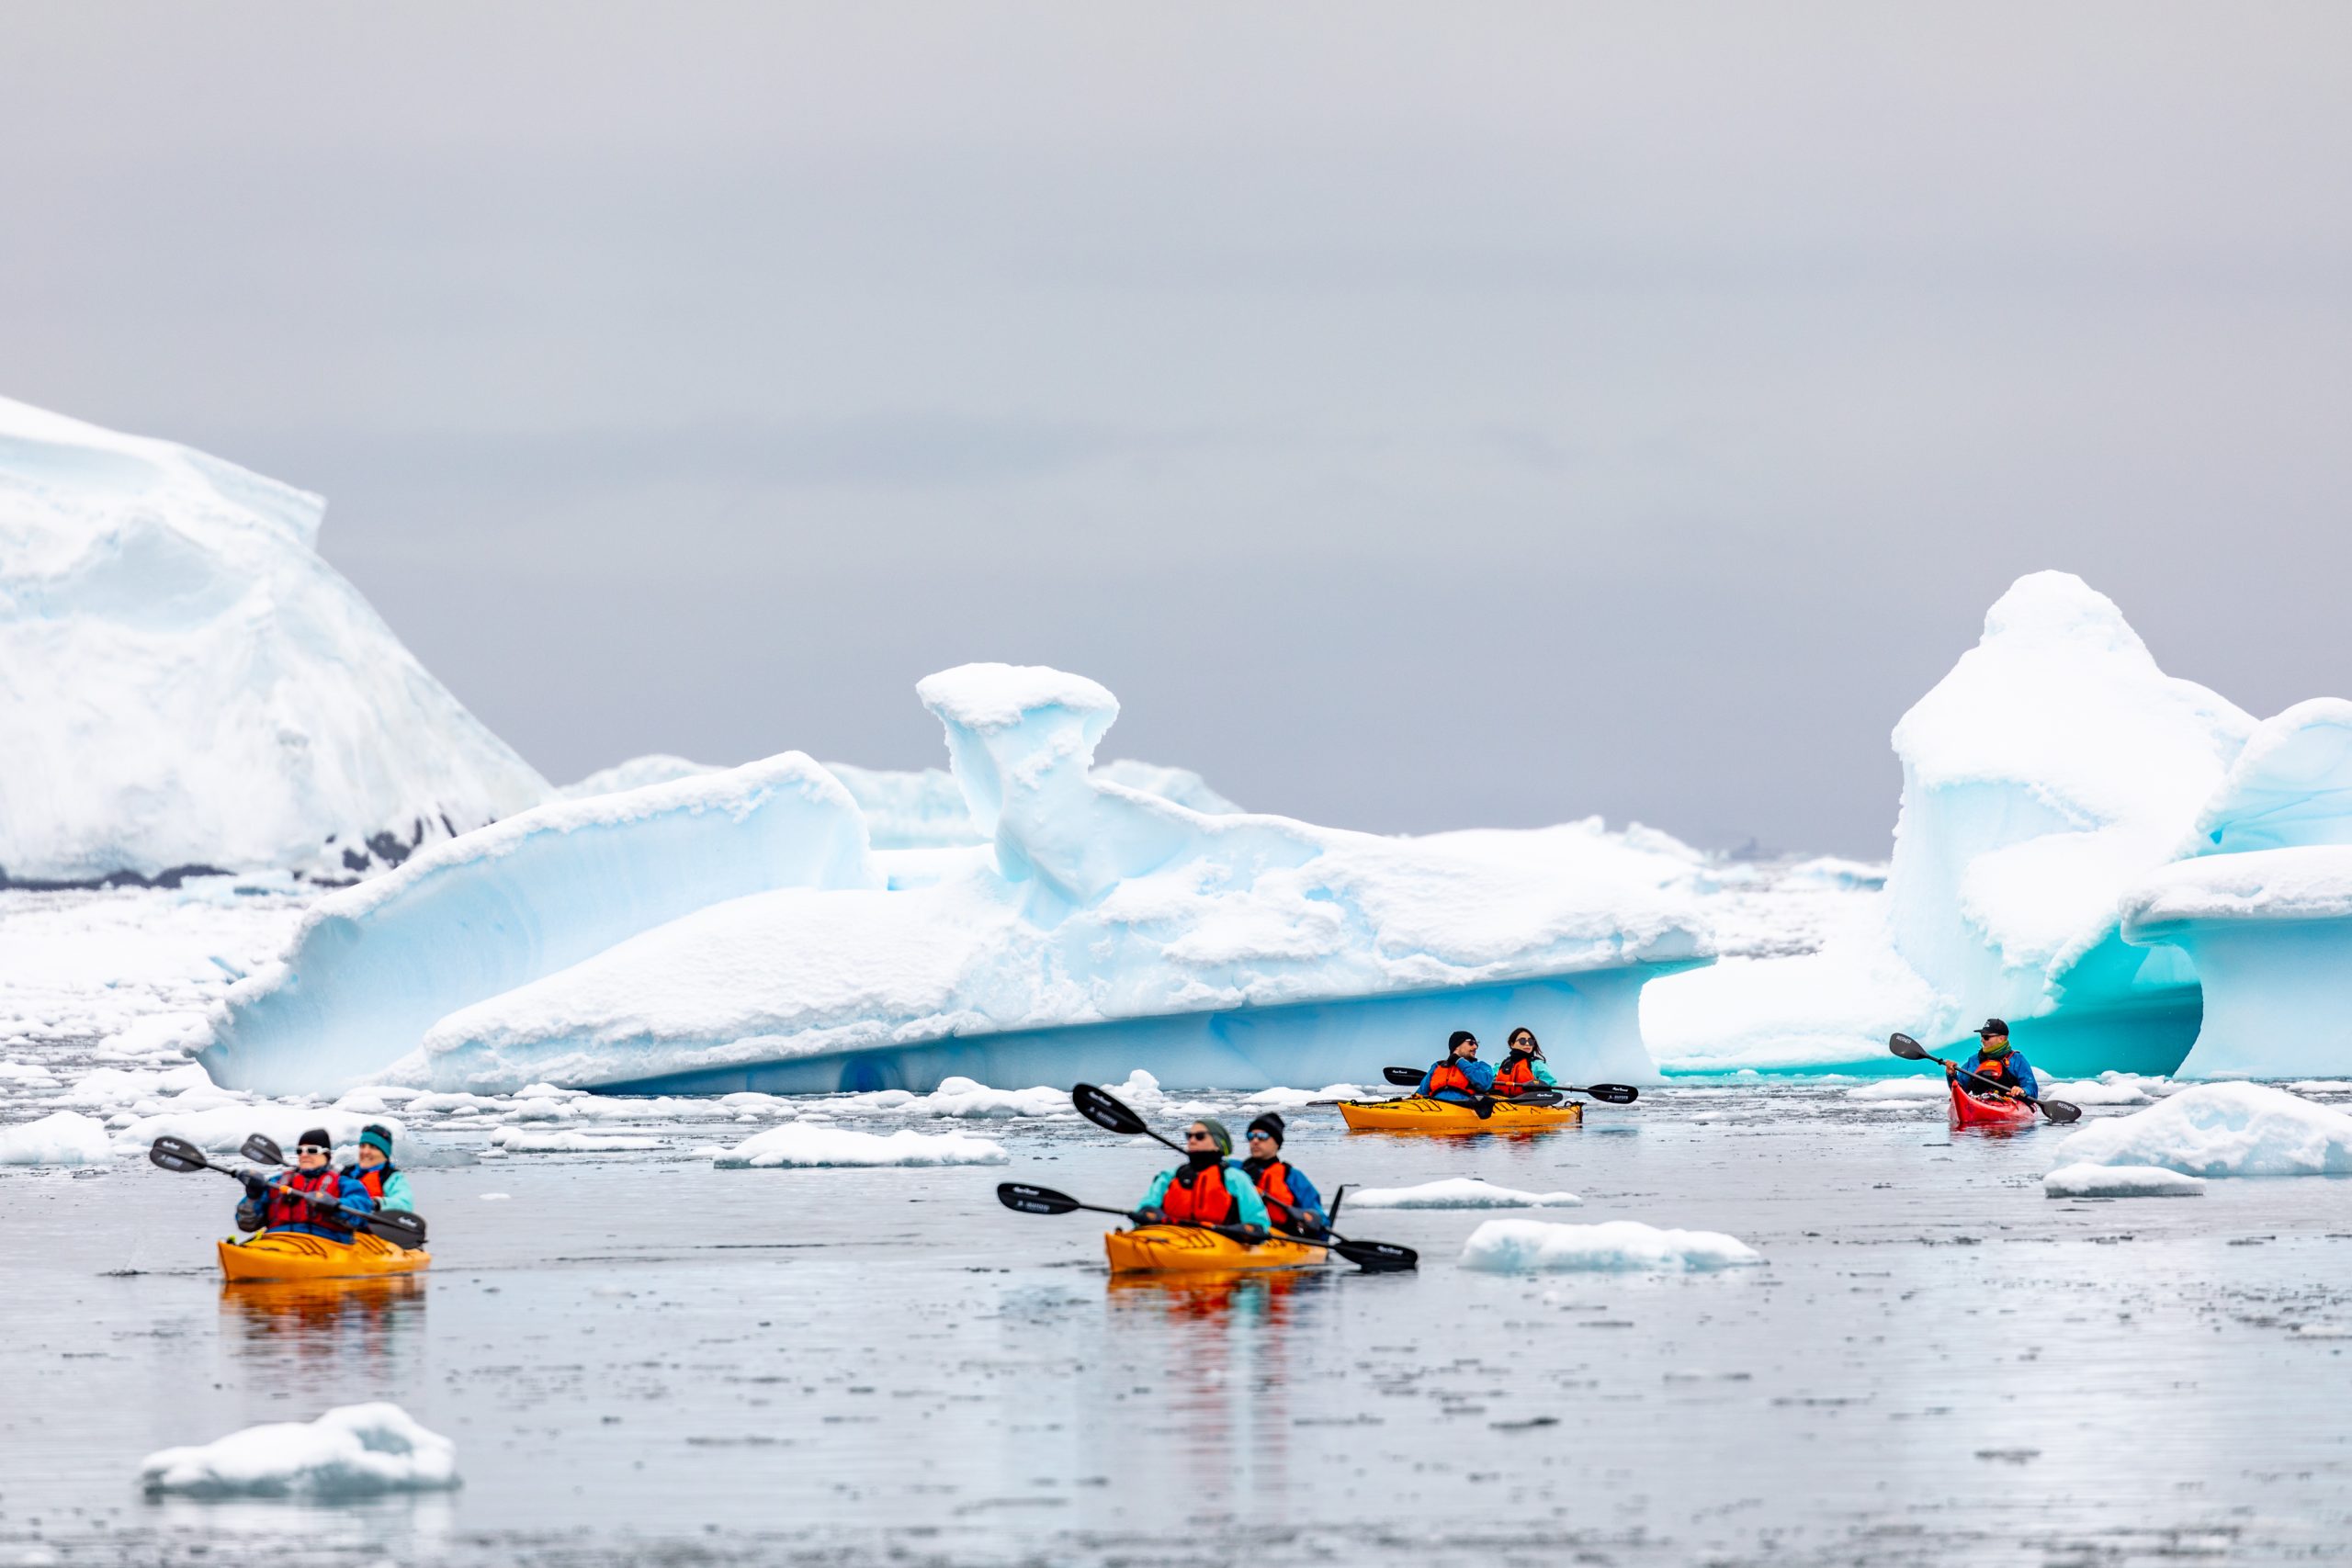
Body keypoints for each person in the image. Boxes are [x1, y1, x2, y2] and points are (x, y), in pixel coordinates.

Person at [236, 1127, 376, 1242]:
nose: (304, 1155)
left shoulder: (346, 1183)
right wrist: (253, 1196)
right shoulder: (275, 1183)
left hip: (324, 1243)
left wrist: (335, 1205)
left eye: (312, 1150)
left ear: (326, 1154)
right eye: (299, 1151)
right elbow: (246, 1223)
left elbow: (363, 1216)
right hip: (276, 1241)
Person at [1136, 1118, 1271, 1235]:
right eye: (1189, 1136)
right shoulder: (1170, 1175)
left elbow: (1258, 1223)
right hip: (1171, 1236)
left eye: (1200, 1136)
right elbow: (1146, 1206)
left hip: (1220, 1242)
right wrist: (1148, 1213)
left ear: (1217, 1143)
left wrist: (1240, 1231)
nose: (1192, 1141)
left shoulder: (1235, 1179)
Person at [1240, 1112, 1328, 1237]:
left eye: (1262, 1136)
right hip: (1241, 1232)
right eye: (1251, 1136)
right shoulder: (1236, 1172)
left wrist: (1310, 1218)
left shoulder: (1292, 1176)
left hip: (1280, 1236)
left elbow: (1321, 1220)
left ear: (1277, 1142)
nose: (1255, 1141)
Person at [1951, 1019, 2039, 1101]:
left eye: (1986, 1037)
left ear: (2001, 1039)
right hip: (1979, 1103)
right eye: (1981, 1036)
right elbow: (1960, 1089)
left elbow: (2032, 1089)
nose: (1981, 1040)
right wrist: (1952, 1074)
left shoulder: (2017, 1060)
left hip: (2010, 1105)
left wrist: (2023, 1090)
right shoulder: (1974, 1060)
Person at [345, 1123, 414, 1212]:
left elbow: (405, 1205)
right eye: (362, 1146)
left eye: (373, 1147)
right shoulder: (347, 1173)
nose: (366, 1151)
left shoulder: (392, 1177)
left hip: (376, 1221)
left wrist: (377, 1203)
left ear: (385, 1154)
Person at [1417, 1031, 1497, 1105]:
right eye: (1471, 1043)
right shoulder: (1437, 1066)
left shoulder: (1481, 1066)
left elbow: (1484, 1084)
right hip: (1436, 1108)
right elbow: (1421, 1093)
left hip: (1464, 1107)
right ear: (1457, 1045)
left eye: (1477, 1044)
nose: (1475, 1047)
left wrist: (1459, 1061)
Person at [1490, 1027, 1561, 1098]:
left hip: (1529, 1104)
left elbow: (1554, 1089)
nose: (1527, 1044)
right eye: (1522, 1041)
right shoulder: (1502, 1064)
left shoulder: (1537, 1065)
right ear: (1512, 1044)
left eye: (1530, 1041)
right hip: (1501, 1103)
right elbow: (1488, 1081)